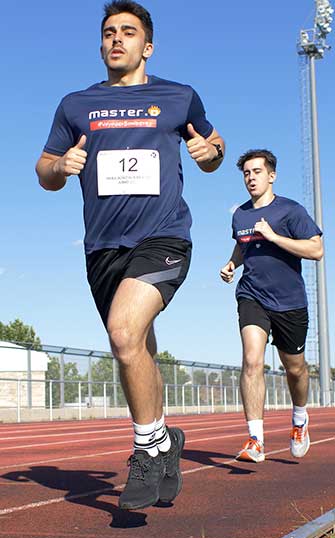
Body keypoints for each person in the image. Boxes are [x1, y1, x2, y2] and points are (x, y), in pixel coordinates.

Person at [36, 0, 224, 509]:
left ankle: (146, 449)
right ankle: (167, 440)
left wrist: (212, 154)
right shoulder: (76, 105)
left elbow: (212, 145)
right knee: (136, 347)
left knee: (123, 332)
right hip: (101, 247)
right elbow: (45, 170)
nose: (117, 39)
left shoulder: (178, 96)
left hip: (164, 236)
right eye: (109, 32)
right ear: (101, 44)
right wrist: (62, 165)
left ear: (148, 45)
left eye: (128, 31)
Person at [220, 149, 323, 463]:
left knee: (295, 369)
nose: (251, 178)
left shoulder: (291, 211)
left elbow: (316, 250)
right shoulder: (240, 214)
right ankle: (255, 439)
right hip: (252, 295)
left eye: (257, 172)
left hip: (290, 302)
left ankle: (300, 418)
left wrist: (275, 236)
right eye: (246, 173)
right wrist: (232, 264)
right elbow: (242, 244)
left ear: (272, 175)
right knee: (252, 360)